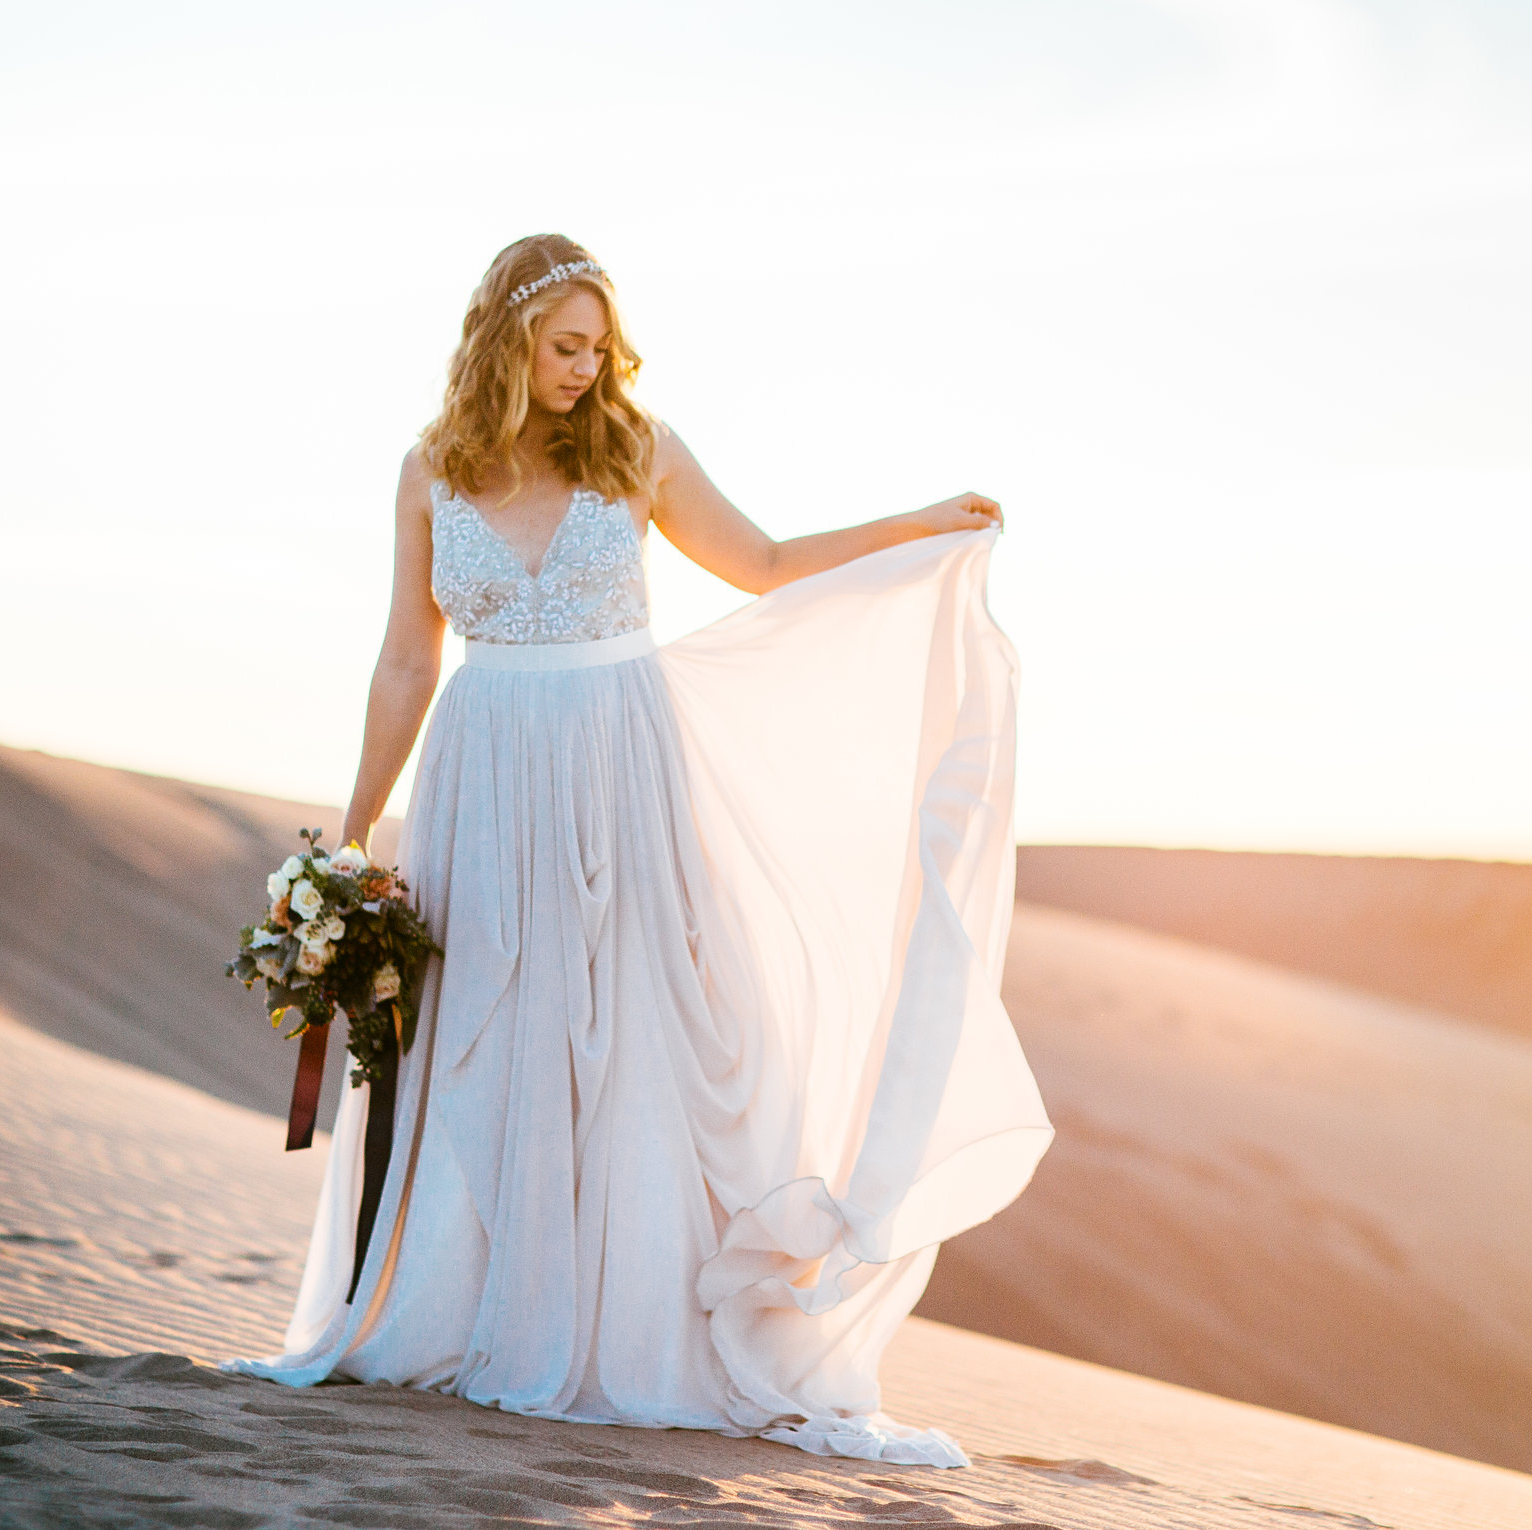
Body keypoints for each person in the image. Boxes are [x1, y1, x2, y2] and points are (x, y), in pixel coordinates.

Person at [226, 234, 1050, 1467]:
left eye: (599, 345)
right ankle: (470, 1312)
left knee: (629, 1037)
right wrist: (349, 835)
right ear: (503, 340)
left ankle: (632, 1329)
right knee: (486, 1037)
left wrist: (917, 526)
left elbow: (764, 565)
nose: (586, 367)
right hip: (485, 774)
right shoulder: (426, 472)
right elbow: (408, 657)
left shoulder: (639, 449)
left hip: (620, 769)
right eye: (564, 345)